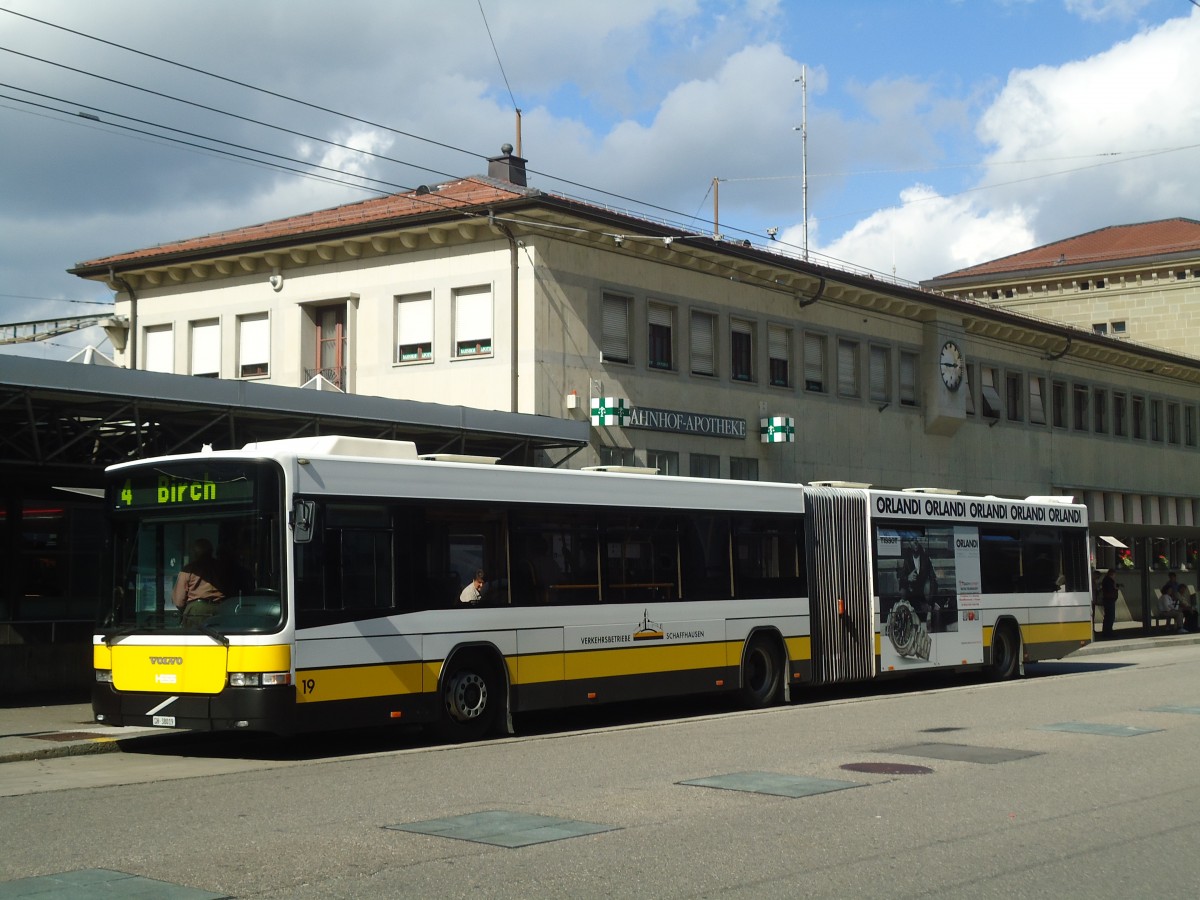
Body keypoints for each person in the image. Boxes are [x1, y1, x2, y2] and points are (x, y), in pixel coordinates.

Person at [172, 538, 227, 624]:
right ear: (211, 552)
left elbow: (179, 601)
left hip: (196, 611)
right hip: (221, 609)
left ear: (195, 553)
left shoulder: (188, 570)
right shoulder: (222, 568)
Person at [1099, 568, 1119, 639]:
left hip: (1108, 599)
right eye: (1114, 574)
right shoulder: (1109, 580)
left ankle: (1106, 631)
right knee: (1110, 617)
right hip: (1109, 600)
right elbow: (1110, 589)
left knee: (1108, 616)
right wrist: (1116, 588)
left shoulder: (1106, 580)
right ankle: (1108, 632)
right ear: (1112, 574)